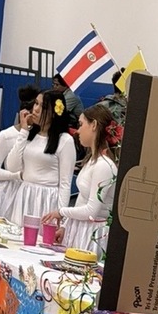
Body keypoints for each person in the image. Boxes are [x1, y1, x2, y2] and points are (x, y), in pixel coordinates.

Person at [41, 104, 119, 256]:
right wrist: (65, 225)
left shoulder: (104, 166)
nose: (77, 131)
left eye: (81, 124)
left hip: (93, 235)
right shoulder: (91, 160)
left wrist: (61, 211)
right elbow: (82, 200)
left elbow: (91, 211)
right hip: (80, 229)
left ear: (94, 125)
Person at [1, 89, 76, 224]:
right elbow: (11, 167)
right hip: (24, 193)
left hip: (47, 199)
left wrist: (61, 215)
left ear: (54, 112)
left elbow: (65, 183)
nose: (35, 109)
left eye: (43, 107)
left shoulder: (65, 140)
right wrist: (23, 131)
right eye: (36, 103)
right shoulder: (29, 135)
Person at [0, 84, 39, 222]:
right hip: (8, 192)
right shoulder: (7, 135)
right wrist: (15, 175)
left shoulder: (42, 137)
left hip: (31, 194)